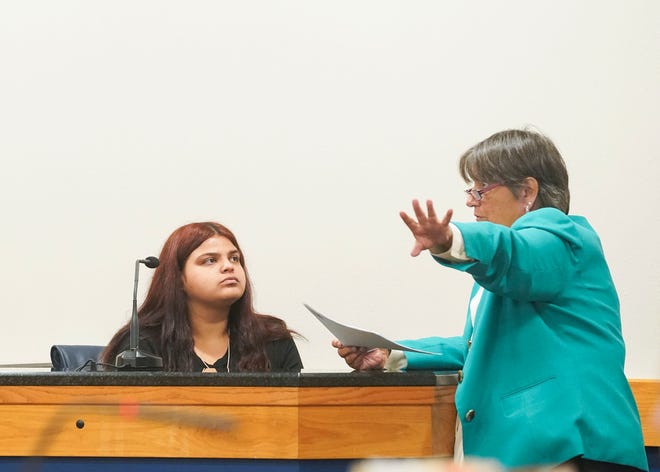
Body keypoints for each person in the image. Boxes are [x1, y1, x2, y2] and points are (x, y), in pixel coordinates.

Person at [333, 129, 648, 471]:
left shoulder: (561, 238)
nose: (470, 201)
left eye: (480, 190)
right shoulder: (503, 270)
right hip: (545, 452)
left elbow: (512, 253)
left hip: (579, 449)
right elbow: (474, 347)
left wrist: (449, 239)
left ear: (527, 191)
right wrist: (391, 354)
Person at [101, 221, 303, 372]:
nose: (228, 266)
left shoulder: (272, 339)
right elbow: (126, 417)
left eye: (234, 258)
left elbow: (298, 417)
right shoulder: (141, 345)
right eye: (210, 260)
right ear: (178, 278)